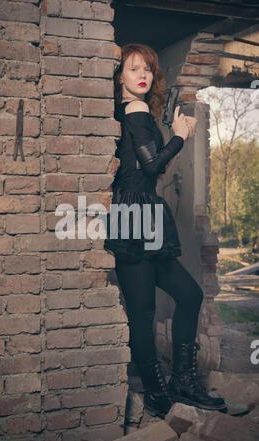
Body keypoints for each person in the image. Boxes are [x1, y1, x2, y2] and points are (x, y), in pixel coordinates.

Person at [104, 43, 226, 418]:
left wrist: (172, 131)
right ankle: (160, 394)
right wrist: (180, 136)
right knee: (143, 313)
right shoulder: (134, 110)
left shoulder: (134, 112)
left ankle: (181, 383)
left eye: (149, 70)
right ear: (120, 76)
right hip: (134, 218)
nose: (143, 75)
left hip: (140, 216)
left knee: (187, 295)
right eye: (133, 68)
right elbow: (153, 164)